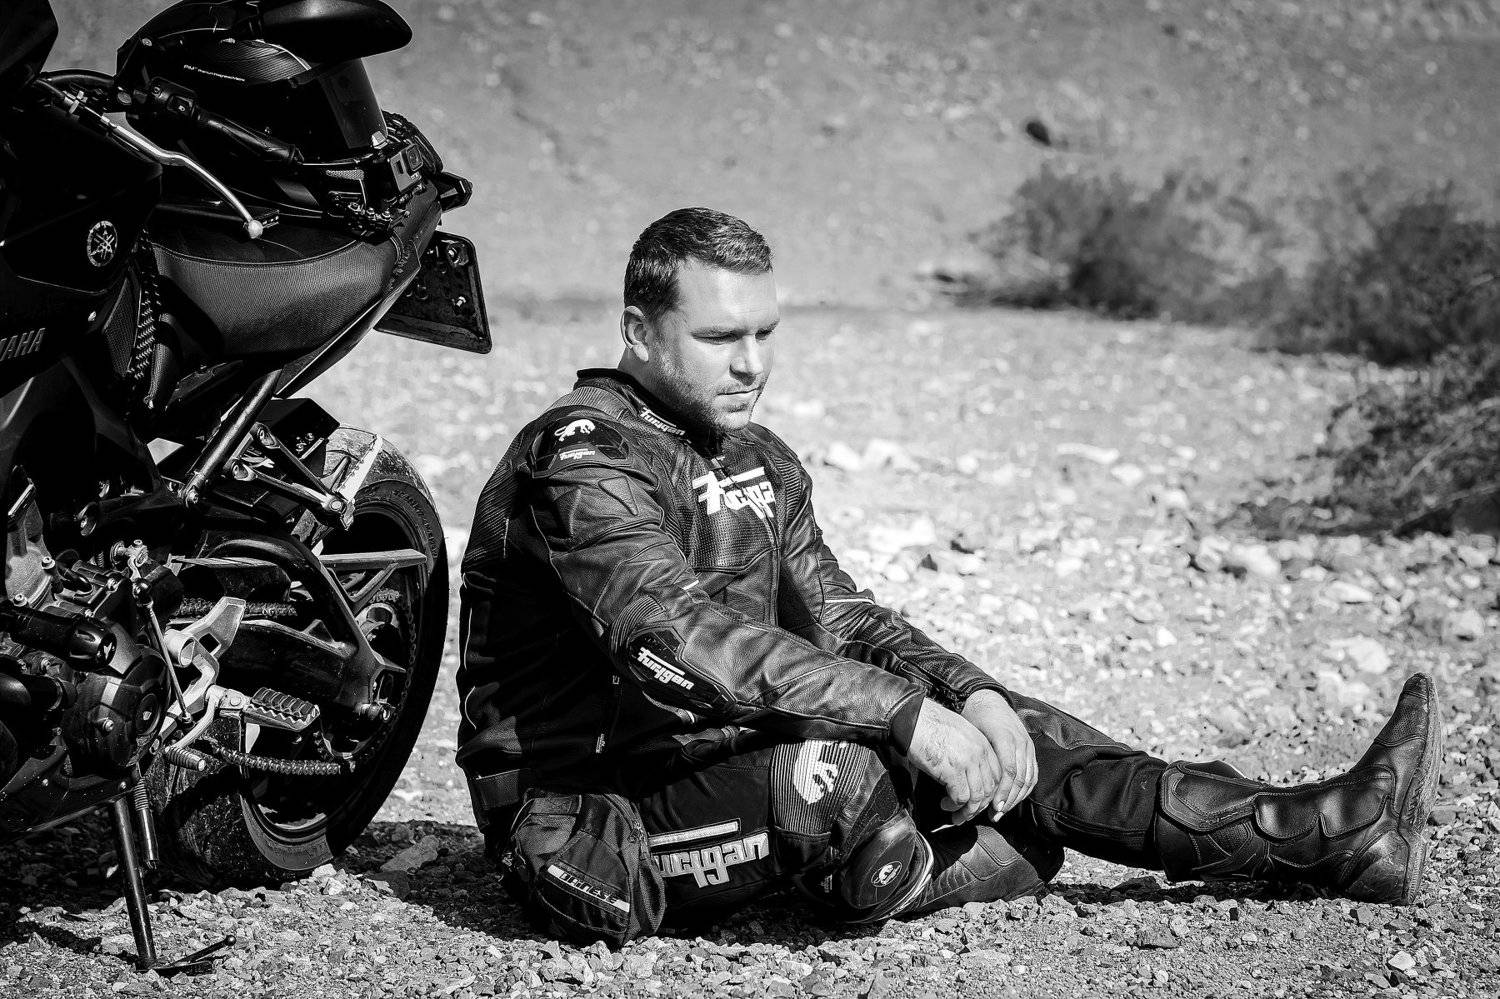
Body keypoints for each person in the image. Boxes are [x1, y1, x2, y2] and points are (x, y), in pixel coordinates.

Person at [456, 207, 1440, 945]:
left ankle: (1327, 832)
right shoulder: (582, 460)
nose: (752, 363)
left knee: (1017, 738)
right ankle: (918, 857)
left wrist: (969, 695)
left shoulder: (757, 457)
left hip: (712, 758)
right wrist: (903, 717)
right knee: (832, 780)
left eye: (765, 333)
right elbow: (679, 638)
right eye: (720, 339)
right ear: (638, 332)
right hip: (588, 819)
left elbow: (843, 616)